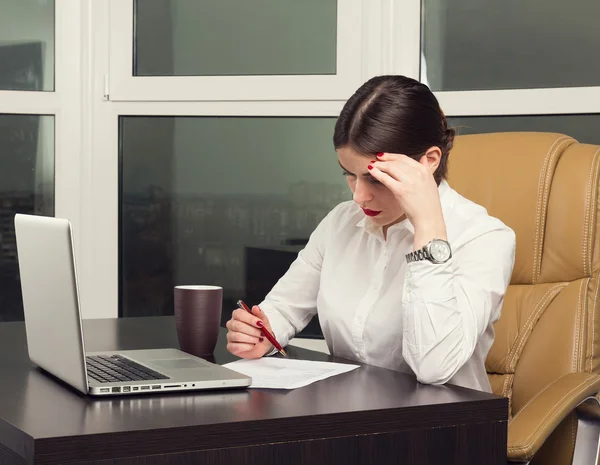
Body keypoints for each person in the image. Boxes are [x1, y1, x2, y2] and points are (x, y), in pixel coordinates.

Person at [225, 75, 516, 391]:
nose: (358, 196)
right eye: (349, 175)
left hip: (440, 428)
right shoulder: (342, 221)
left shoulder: (484, 238)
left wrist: (429, 228)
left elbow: (435, 367)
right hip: (351, 413)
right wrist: (262, 333)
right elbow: (283, 308)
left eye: (376, 179)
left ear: (429, 161)